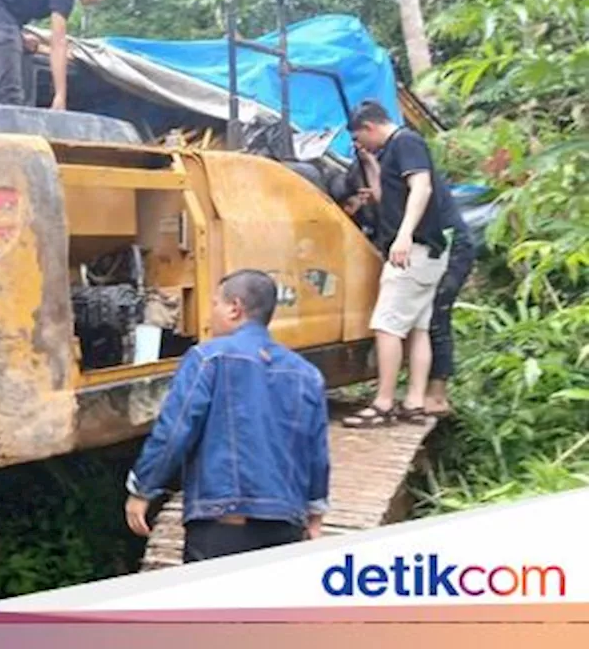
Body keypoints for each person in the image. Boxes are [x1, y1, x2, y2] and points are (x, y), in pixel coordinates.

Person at [123, 269, 330, 562]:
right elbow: (316, 452)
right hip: (285, 521)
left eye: (215, 305)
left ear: (235, 308)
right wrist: (315, 510)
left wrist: (143, 488)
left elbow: (175, 428)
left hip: (224, 522)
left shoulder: (207, 358)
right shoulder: (306, 373)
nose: (211, 314)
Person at [342, 100, 450, 428]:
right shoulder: (390, 152)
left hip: (413, 250)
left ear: (370, 127)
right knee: (417, 329)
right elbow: (385, 196)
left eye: (362, 139)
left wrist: (403, 236)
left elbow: (422, 187)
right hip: (424, 252)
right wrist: (371, 164)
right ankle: (414, 401)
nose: (362, 145)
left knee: (387, 325)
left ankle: (384, 403)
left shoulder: (406, 142)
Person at [426, 186, 476, 416]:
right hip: (435, 248)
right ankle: (425, 393)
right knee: (427, 319)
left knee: (437, 317)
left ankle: (437, 395)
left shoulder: (410, 160)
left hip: (450, 249)